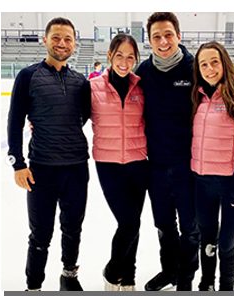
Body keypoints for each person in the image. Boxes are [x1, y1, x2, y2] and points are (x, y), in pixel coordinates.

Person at [136, 12, 234, 291]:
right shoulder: (143, 71)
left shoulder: (194, 68)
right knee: (164, 225)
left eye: (168, 34)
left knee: (191, 231)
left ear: (179, 36)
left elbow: (228, 94)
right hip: (156, 163)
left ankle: (188, 277)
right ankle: (170, 271)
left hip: (188, 166)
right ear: (149, 41)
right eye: (156, 36)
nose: (163, 41)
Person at [7, 17, 91, 292]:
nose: (62, 43)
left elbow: (84, 116)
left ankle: (69, 275)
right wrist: (18, 163)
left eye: (67, 38)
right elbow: (14, 120)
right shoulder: (28, 76)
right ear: (45, 40)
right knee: (40, 235)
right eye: (56, 37)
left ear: (75, 44)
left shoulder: (80, 81)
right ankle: (34, 285)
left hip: (77, 168)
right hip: (41, 169)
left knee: (72, 229)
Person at [191, 42, 234, 292]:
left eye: (214, 62)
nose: (210, 68)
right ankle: (207, 284)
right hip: (203, 184)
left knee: (227, 243)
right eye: (204, 64)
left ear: (224, 63)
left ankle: (226, 286)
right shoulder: (197, 96)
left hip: (232, 187)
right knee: (207, 240)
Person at [90, 34, 147, 291]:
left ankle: (130, 276)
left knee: (133, 222)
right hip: (108, 164)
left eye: (131, 56)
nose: (125, 62)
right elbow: (71, 116)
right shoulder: (92, 88)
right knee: (129, 223)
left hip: (138, 163)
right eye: (120, 55)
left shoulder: (142, 87)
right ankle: (113, 272)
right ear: (110, 56)